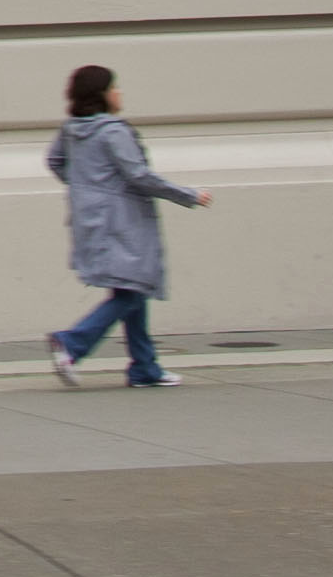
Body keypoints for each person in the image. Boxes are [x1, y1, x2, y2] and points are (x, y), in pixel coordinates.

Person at [43, 62, 209, 389]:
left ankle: (144, 368)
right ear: (103, 95)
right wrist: (188, 195)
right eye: (114, 87)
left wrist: (84, 189)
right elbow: (138, 175)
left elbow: (55, 161)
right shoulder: (113, 131)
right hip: (122, 221)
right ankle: (72, 343)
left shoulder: (72, 129)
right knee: (133, 290)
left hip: (92, 220)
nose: (119, 93)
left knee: (131, 288)